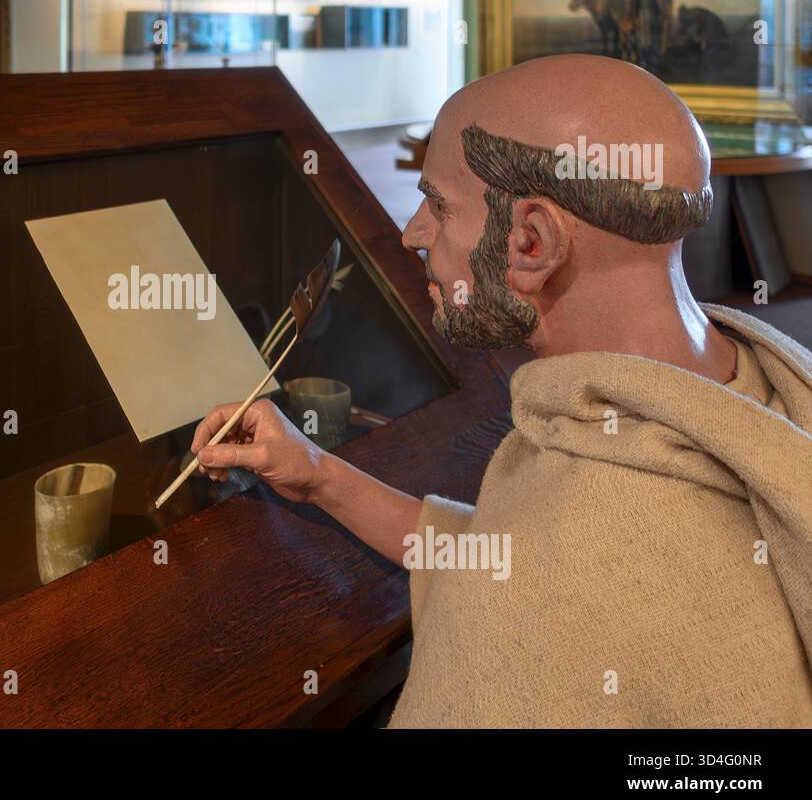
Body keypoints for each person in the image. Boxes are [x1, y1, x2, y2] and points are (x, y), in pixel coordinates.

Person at [192, 53, 812, 727]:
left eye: (437, 205)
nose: (412, 233)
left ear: (531, 241)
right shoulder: (748, 385)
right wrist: (318, 476)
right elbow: (511, 557)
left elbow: (537, 588)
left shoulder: (581, 570)